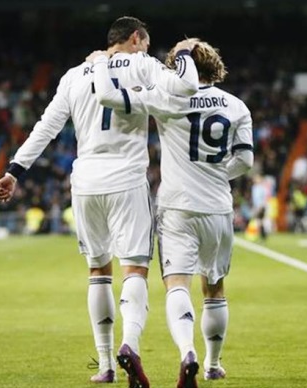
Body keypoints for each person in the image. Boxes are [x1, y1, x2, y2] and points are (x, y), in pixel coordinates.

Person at [0, 16, 198, 387]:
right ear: (136, 39)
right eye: (146, 44)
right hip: (127, 179)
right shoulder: (143, 65)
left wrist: (14, 171)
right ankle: (129, 344)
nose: (147, 50)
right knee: (134, 269)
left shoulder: (74, 75)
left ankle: (105, 365)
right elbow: (182, 90)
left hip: (85, 182)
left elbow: (46, 127)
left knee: (98, 272)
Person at [90, 38, 253, 387]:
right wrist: (213, 174)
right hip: (218, 206)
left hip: (177, 205)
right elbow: (246, 160)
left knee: (176, 284)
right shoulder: (237, 106)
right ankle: (212, 364)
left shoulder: (167, 98)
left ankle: (187, 351)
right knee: (215, 286)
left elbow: (112, 100)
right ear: (215, 66)